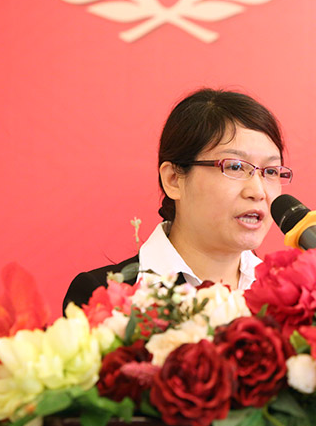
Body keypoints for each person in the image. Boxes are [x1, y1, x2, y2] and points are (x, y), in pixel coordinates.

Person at [62, 88, 292, 312]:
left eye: (271, 171)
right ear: (173, 179)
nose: (258, 191)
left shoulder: (291, 300)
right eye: (234, 167)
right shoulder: (104, 299)